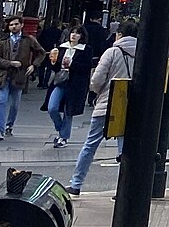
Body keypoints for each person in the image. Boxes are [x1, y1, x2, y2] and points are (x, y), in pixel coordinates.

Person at [69, 20, 138, 195]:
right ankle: (124, 190)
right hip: (129, 107)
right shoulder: (144, 52)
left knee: (90, 145)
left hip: (107, 104)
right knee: (125, 151)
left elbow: (97, 80)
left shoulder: (112, 52)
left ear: (119, 34)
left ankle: (76, 183)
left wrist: (97, 92)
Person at [0, 15, 42, 140]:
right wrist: (10, 63)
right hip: (3, 76)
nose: (13, 26)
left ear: (21, 25)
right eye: (11, 25)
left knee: (15, 104)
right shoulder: (2, 41)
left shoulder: (28, 39)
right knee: (1, 101)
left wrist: (34, 65)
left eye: (16, 24)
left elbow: (41, 52)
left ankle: (9, 125)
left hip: (19, 76)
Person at [43, 28, 91, 148]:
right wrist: (53, 62)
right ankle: (60, 127)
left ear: (81, 36)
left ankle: (63, 137)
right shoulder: (61, 48)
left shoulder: (86, 49)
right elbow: (54, 67)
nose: (74, 35)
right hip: (60, 81)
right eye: (73, 32)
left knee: (68, 111)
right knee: (52, 107)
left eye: (77, 33)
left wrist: (71, 64)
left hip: (75, 84)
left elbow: (87, 67)